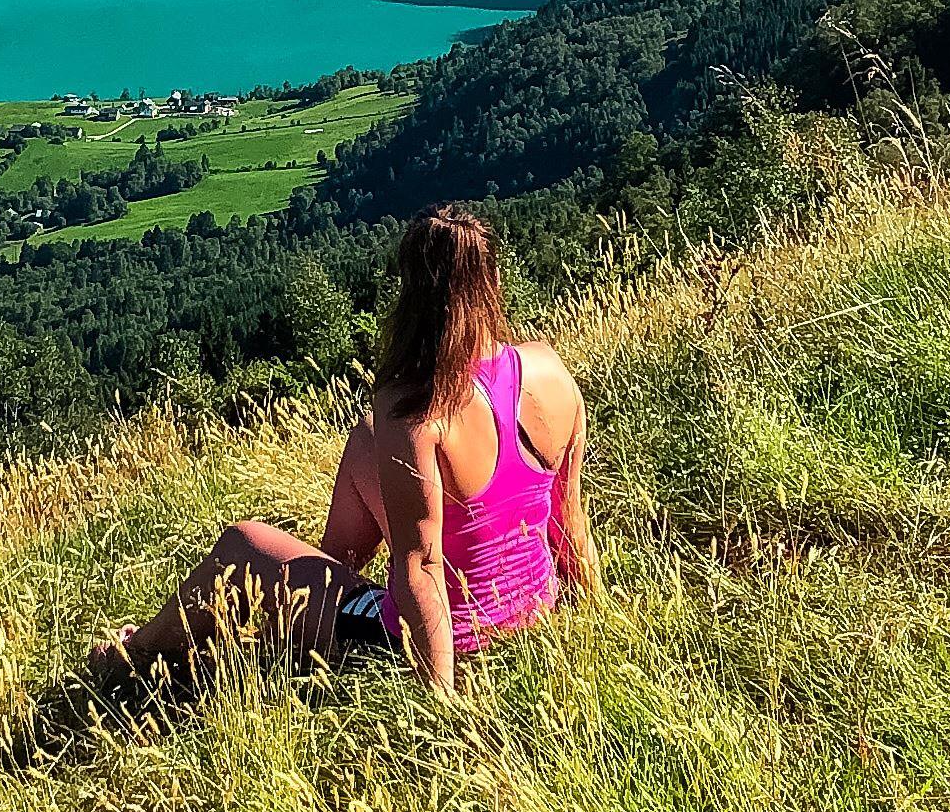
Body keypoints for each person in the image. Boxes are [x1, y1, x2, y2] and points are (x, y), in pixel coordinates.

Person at [91, 205, 598, 697]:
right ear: (493, 281)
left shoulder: (414, 407)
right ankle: (304, 606)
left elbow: (422, 566)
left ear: (412, 293)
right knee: (365, 442)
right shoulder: (548, 370)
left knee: (242, 544)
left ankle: (132, 656)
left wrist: (442, 703)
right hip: (535, 612)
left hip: (440, 644)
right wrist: (590, 624)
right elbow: (569, 520)